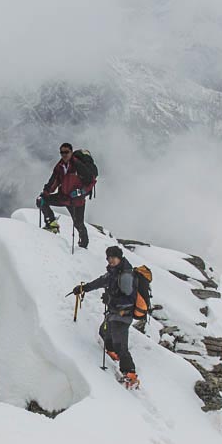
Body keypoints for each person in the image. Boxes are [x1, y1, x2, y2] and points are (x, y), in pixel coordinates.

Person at [72, 246, 142, 388]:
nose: (110, 260)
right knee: (104, 332)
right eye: (108, 258)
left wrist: (110, 300)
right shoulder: (113, 273)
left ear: (119, 257)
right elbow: (100, 282)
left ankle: (130, 374)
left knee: (120, 344)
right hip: (113, 314)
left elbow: (129, 300)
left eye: (113, 257)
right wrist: (83, 288)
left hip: (123, 315)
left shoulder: (126, 276)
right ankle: (113, 353)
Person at [37, 142, 94, 249]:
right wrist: (45, 193)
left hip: (77, 201)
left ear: (71, 152)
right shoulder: (60, 166)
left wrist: (81, 192)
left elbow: (91, 180)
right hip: (64, 197)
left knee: (78, 224)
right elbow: (53, 181)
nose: (64, 155)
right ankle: (51, 224)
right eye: (62, 152)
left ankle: (84, 244)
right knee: (42, 201)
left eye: (66, 152)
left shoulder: (78, 165)